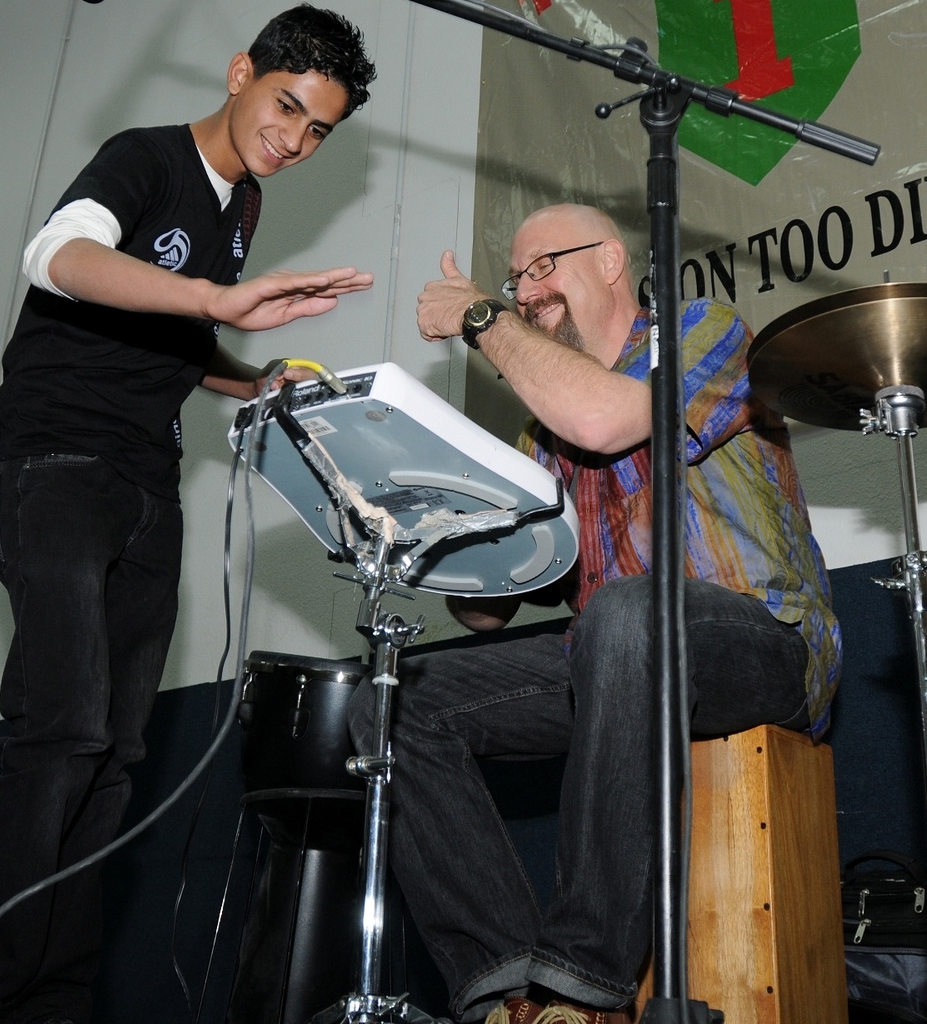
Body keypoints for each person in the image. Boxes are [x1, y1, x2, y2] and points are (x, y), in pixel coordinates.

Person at [0, 4, 377, 1024]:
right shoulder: (143, 157)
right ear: (240, 73)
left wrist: (247, 380)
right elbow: (58, 258)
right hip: (54, 462)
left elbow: (168, 334)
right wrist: (216, 301)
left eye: (317, 130)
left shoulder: (243, 206)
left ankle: (55, 998)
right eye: (286, 105)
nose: (293, 139)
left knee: (118, 752)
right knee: (61, 727)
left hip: (145, 478)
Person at [348, 202, 840, 1024]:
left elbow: (606, 419)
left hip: (763, 643)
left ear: (612, 262)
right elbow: (489, 615)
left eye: (545, 269)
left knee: (625, 613)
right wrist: (402, 506)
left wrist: (482, 314)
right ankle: (505, 990)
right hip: (616, 655)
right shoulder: (542, 432)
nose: (528, 294)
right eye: (517, 280)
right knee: (391, 702)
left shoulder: (703, 331)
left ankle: (583, 985)